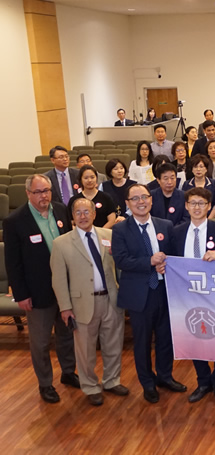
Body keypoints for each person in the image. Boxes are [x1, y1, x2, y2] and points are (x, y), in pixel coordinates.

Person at [4, 174, 77, 403]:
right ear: (28, 193)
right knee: (41, 342)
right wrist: (21, 294)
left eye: (46, 190)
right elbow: (13, 263)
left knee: (66, 335)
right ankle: (45, 384)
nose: (44, 196)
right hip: (37, 292)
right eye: (38, 192)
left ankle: (68, 372)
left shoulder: (61, 210)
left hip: (65, 289)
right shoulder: (15, 221)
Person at [112, 183, 186, 403]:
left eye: (144, 197)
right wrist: (150, 262)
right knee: (142, 342)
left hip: (164, 290)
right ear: (127, 203)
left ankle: (165, 376)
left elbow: (174, 255)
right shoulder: (120, 229)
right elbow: (121, 260)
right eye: (135, 199)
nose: (141, 202)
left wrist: (166, 264)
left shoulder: (165, 225)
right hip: (139, 295)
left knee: (165, 338)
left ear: (151, 200)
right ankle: (147, 382)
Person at [51, 198, 127, 406]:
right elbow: (58, 279)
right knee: (85, 350)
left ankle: (112, 381)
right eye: (78, 212)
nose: (83, 216)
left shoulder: (109, 236)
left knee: (113, 344)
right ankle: (91, 386)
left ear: (94, 214)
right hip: (81, 304)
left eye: (87, 212)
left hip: (111, 299)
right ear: (72, 216)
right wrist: (65, 307)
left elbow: (120, 267)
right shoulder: (61, 243)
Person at [172, 188, 215, 403]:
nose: (197, 207)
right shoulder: (177, 232)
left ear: (209, 206)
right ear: (186, 206)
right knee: (194, 337)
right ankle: (203, 381)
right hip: (187, 295)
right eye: (193, 203)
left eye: (201, 203)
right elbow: (171, 260)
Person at [182, 154, 215, 219]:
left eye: (201, 167)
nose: (198, 169)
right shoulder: (187, 184)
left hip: (210, 218)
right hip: (190, 218)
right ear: (192, 170)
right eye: (195, 167)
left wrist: (208, 220)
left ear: (206, 169)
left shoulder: (213, 183)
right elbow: (184, 204)